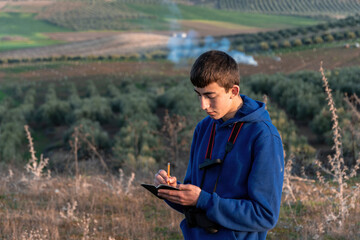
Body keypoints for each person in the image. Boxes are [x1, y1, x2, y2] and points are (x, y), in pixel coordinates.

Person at [154, 50, 284, 239]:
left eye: (210, 96)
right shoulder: (203, 128)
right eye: (198, 95)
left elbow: (265, 215)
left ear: (233, 91)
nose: (203, 105)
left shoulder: (264, 136)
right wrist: (172, 191)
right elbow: (194, 199)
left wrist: (202, 200)